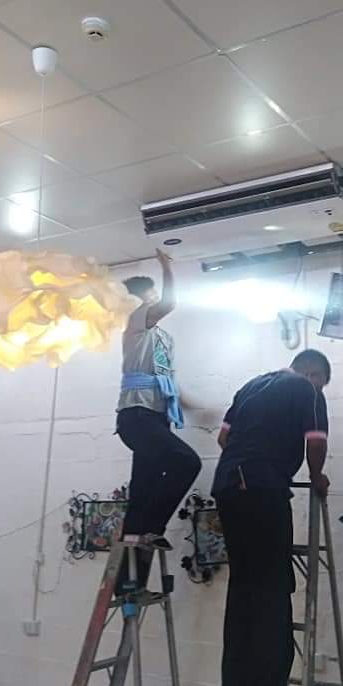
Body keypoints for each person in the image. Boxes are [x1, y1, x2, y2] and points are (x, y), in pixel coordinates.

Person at [212, 349, 331, 686]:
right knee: (273, 585)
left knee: (244, 585)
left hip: (228, 487)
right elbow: (315, 441)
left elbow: (222, 438)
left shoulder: (250, 386)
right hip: (262, 490)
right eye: (322, 382)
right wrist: (317, 477)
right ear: (314, 374)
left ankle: (237, 685)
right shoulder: (307, 390)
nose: (321, 389)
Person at [115, 249, 201, 588]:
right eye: (149, 296)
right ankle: (154, 527)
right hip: (136, 416)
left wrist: (196, 407)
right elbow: (169, 303)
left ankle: (129, 582)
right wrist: (167, 268)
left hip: (156, 417)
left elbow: (169, 384)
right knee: (187, 462)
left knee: (142, 491)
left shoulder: (164, 339)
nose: (153, 301)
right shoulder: (136, 323)